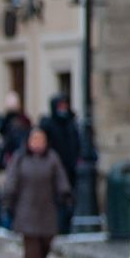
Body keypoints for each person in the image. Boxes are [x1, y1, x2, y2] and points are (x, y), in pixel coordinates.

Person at [3, 128, 72, 258]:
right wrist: (8, 199)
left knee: (46, 241)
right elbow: (11, 180)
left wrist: (65, 194)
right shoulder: (20, 158)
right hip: (25, 207)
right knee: (31, 243)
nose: (38, 143)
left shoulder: (52, 158)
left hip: (46, 207)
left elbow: (60, 178)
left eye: (41, 140)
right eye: (34, 139)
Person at [40, 93, 80, 235]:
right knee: (55, 202)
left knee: (68, 201)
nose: (63, 109)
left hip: (69, 170)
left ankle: (64, 228)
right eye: (60, 106)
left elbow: (77, 144)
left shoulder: (71, 124)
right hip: (54, 170)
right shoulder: (48, 125)